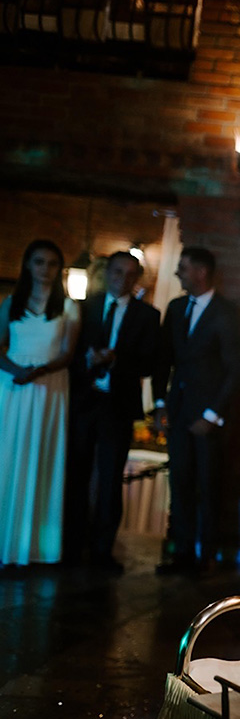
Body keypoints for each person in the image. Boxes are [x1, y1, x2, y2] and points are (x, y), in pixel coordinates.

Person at [65, 251, 161, 573]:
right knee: (76, 475)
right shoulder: (84, 306)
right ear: (107, 273)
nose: (123, 279)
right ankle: (71, 546)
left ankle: (102, 550)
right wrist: (88, 360)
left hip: (117, 405)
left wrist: (116, 359)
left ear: (137, 278)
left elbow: (150, 363)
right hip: (83, 400)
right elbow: (67, 353)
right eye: (118, 271)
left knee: (110, 479)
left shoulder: (147, 315)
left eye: (131, 274)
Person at [152, 246, 240, 574]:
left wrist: (212, 415)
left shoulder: (226, 312)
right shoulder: (177, 308)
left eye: (184, 267)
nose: (178, 272)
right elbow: (163, 359)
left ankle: (206, 556)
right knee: (179, 484)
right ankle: (181, 554)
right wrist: (159, 404)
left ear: (201, 272)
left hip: (208, 417)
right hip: (177, 411)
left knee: (208, 486)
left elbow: (236, 368)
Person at [0, 240, 81, 567]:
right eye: (38, 262)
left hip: (49, 387)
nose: (44, 269)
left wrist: (39, 371)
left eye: (51, 263)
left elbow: (67, 353)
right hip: (12, 387)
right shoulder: (11, 303)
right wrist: (16, 371)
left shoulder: (69, 307)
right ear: (27, 265)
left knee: (40, 455)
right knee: (7, 456)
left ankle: (33, 546)